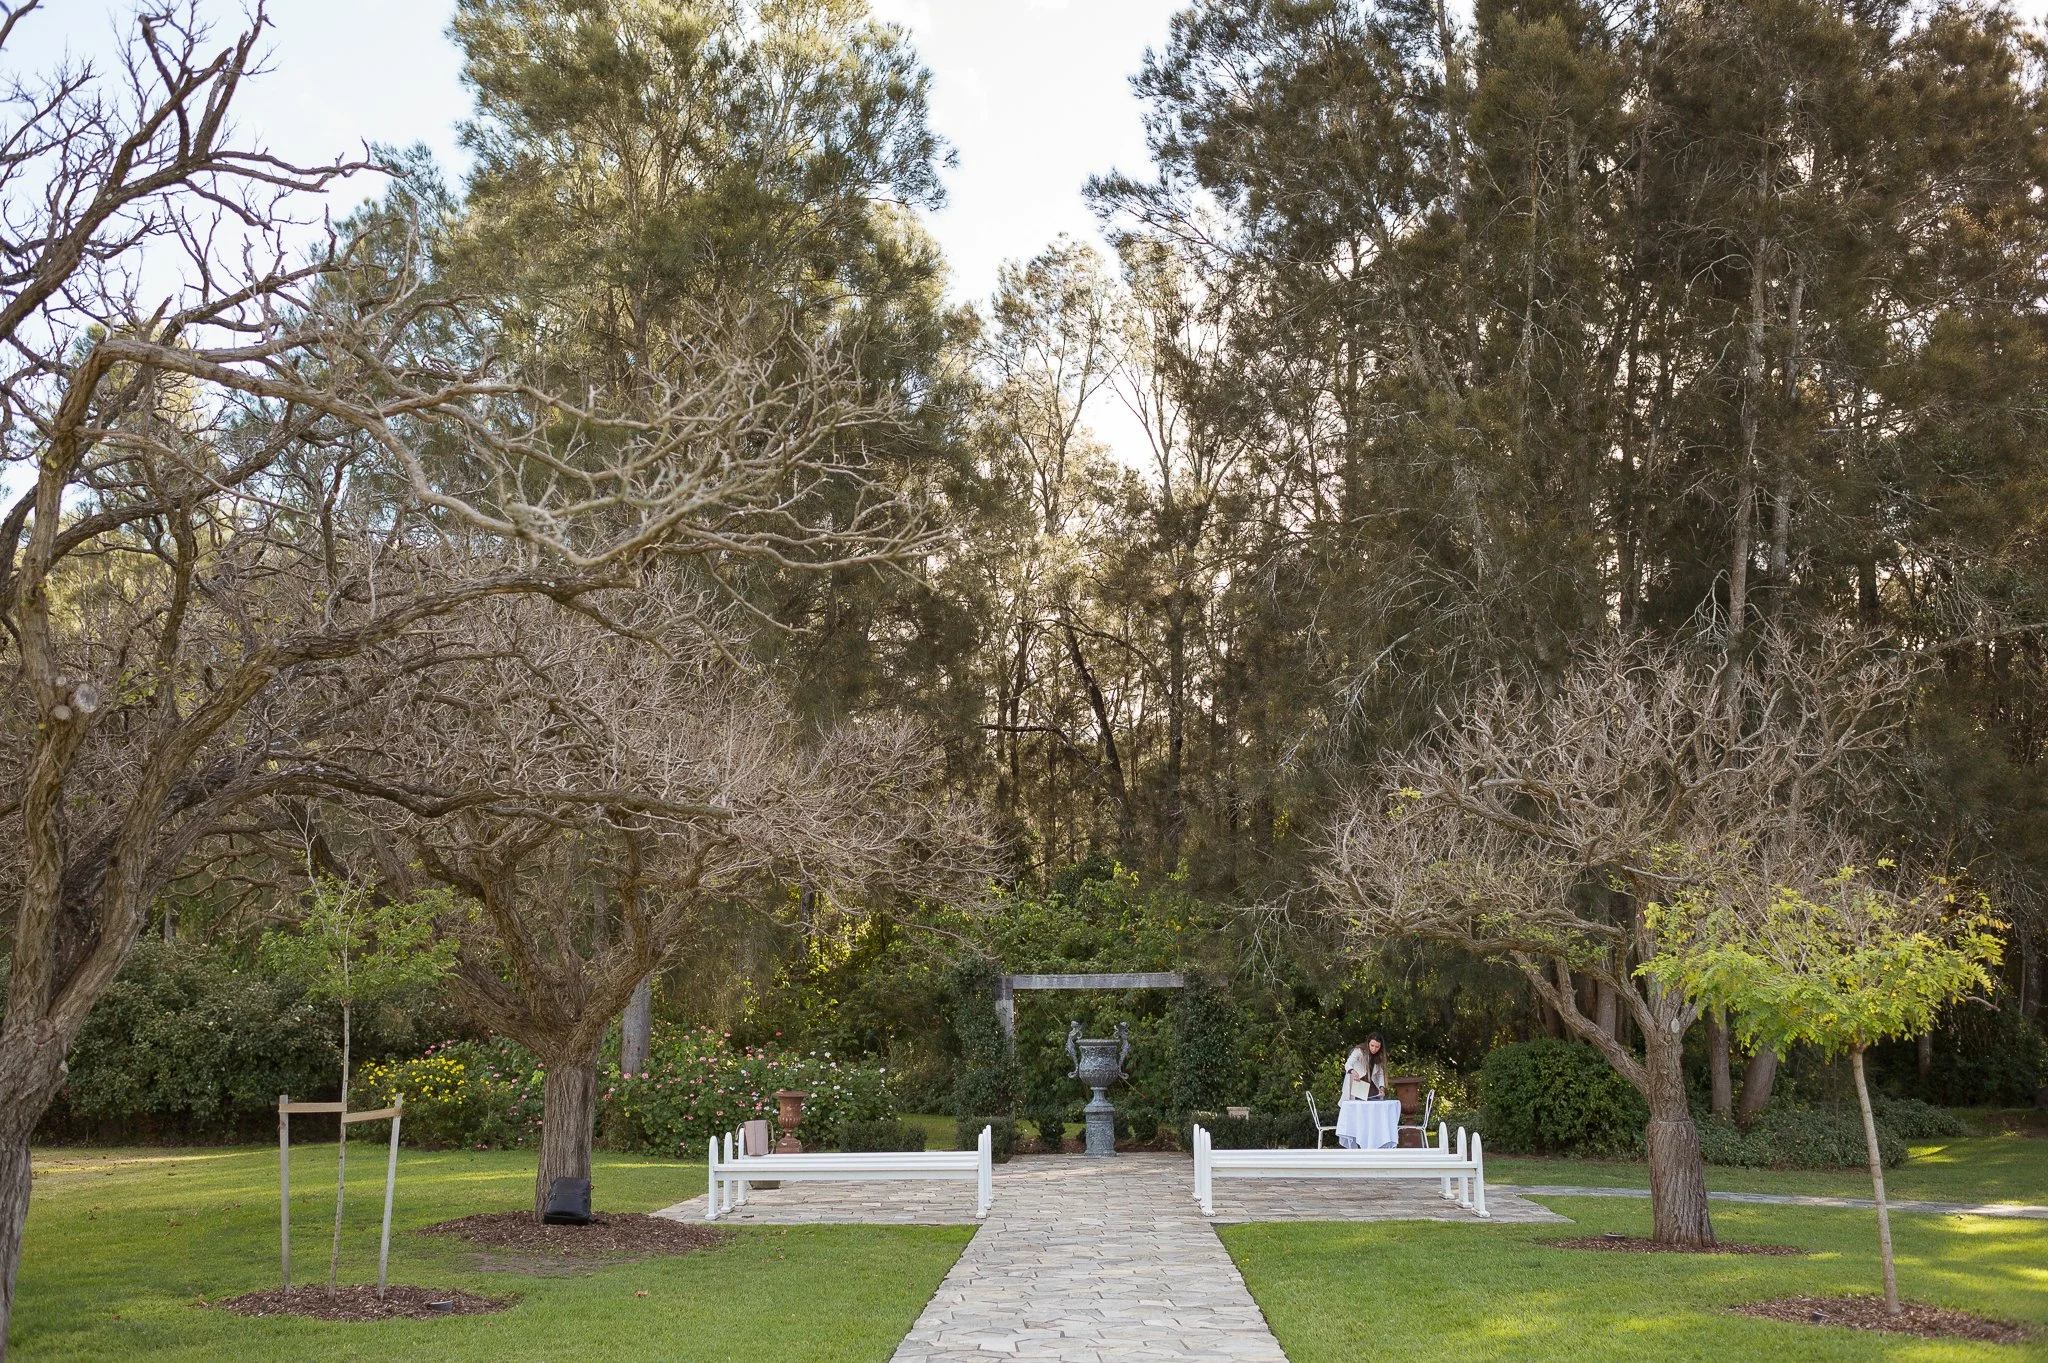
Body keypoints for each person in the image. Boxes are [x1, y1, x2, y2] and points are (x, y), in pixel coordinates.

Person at [1342, 1034, 1388, 1102]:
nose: (1374, 1049)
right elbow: (1348, 1064)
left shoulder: (1380, 1056)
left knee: (1375, 1105)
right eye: (1372, 1045)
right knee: (1360, 1106)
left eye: (1377, 1047)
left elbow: (1380, 1074)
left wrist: (1381, 1087)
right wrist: (1353, 1071)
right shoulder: (1359, 1051)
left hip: (1372, 1085)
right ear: (1368, 1043)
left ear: (1381, 1047)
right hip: (1360, 1083)